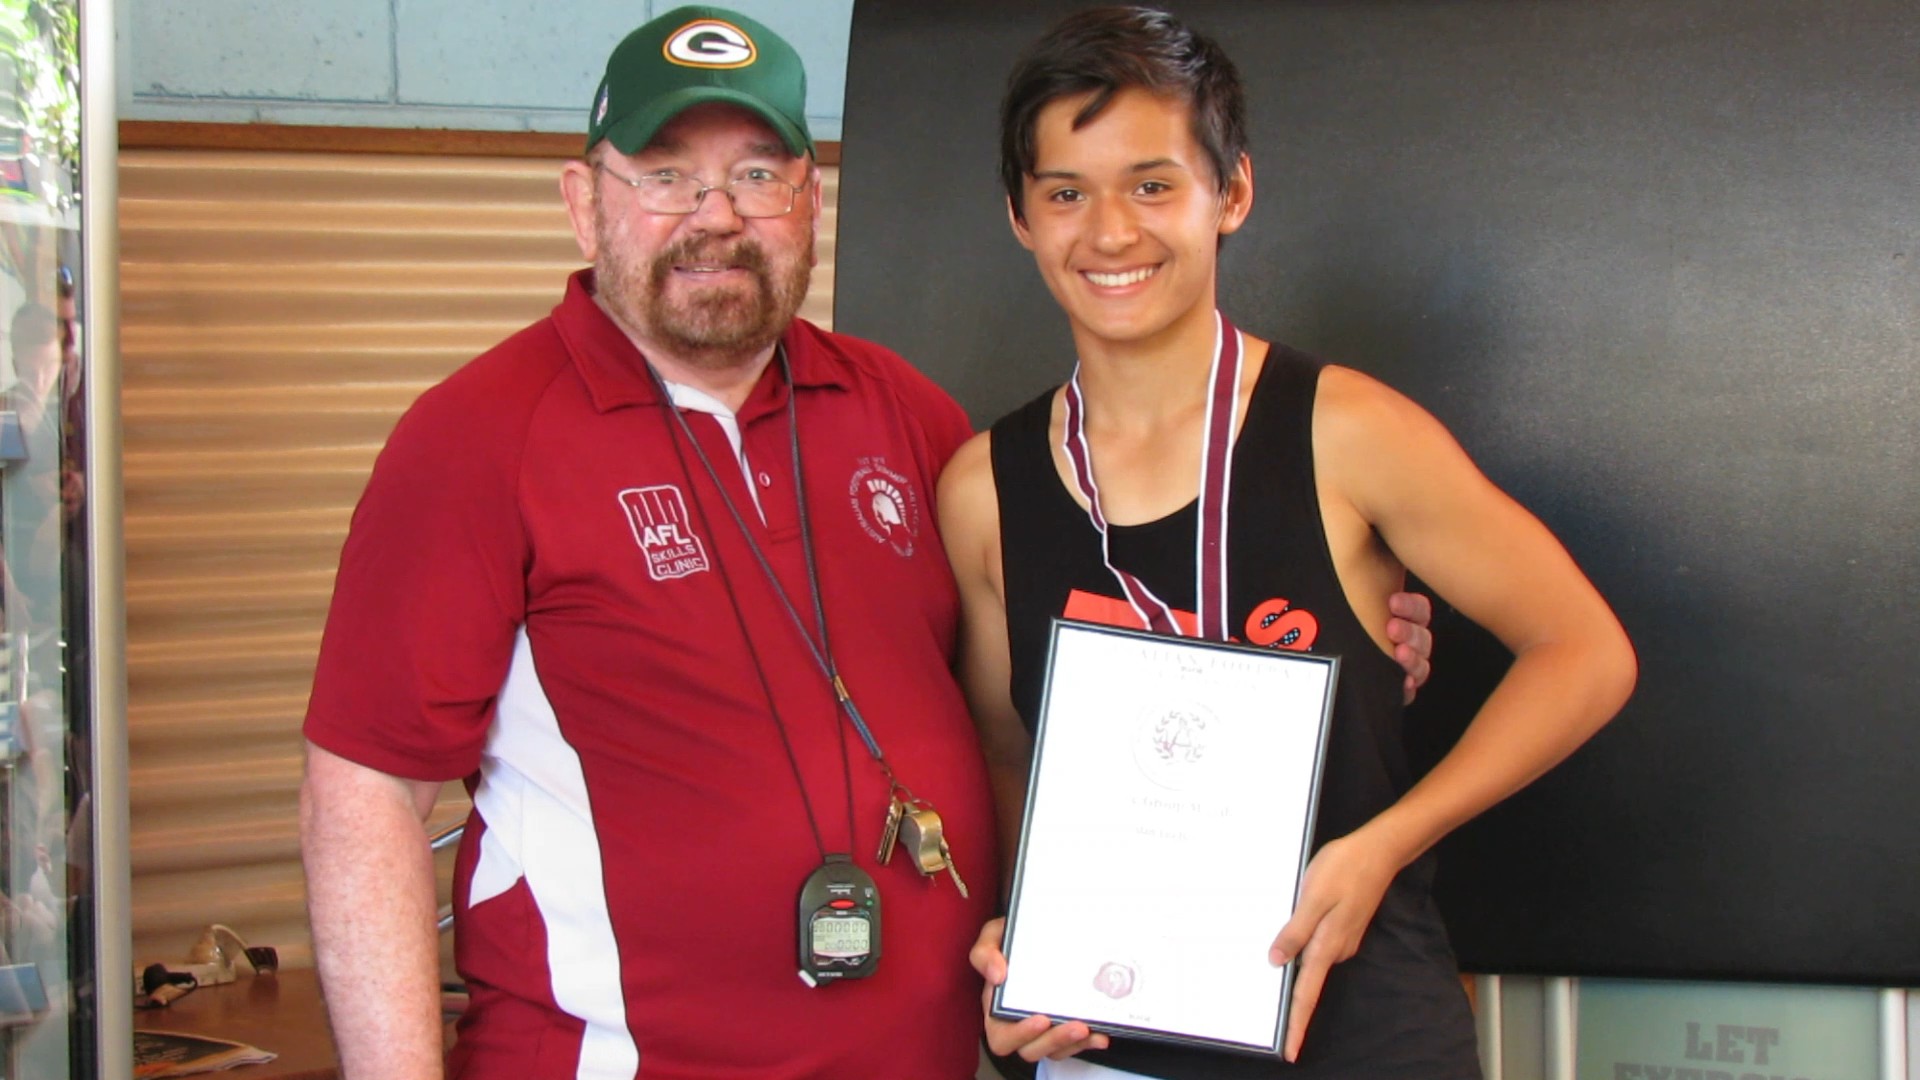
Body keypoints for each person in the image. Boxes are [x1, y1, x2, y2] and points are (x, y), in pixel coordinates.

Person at [299, 6, 1436, 1078]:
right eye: (665, 177)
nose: (717, 215)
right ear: (583, 202)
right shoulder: (476, 440)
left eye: (757, 174)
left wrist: (1347, 609)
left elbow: (1057, 657)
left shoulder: (907, 415)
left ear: (809, 197)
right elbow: (364, 798)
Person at [941, 7, 1638, 1079]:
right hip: (1105, 1041)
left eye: (1154, 183)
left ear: (1234, 193)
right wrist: (1015, 939)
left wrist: (1385, 845)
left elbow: (1585, 653)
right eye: (1066, 192)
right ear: (1020, 217)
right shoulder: (987, 488)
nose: (1111, 232)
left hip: (1362, 1033)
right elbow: (1004, 750)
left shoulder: (1348, 433)